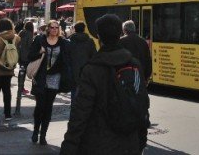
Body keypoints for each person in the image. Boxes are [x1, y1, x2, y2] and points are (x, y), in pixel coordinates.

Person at [60, 14, 148, 155]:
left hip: (98, 144)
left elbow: (81, 112)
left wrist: (69, 144)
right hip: (129, 143)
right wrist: (141, 140)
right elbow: (142, 104)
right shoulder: (134, 65)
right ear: (120, 34)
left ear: (99, 37)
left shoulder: (92, 69)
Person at [27, 19, 72, 145]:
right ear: (48, 29)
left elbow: (67, 59)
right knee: (40, 106)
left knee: (48, 107)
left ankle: (43, 135)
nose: (54, 29)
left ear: (59, 29)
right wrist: (39, 53)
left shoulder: (63, 43)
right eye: (52, 27)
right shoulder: (40, 40)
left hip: (55, 77)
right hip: (40, 76)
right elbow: (30, 55)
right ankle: (36, 130)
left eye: (56, 27)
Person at [68, 21, 97, 104]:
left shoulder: (70, 41)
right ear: (84, 29)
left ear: (75, 29)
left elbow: (67, 57)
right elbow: (94, 56)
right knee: (86, 95)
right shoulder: (90, 41)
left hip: (73, 71)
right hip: (86, 72)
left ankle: (74, 113)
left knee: (74, 95)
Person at [17, 20, 35, 95]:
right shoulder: (30, 34)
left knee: (21, 72)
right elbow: (29, 45)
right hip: (26, 56)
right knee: (30, 72)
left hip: (20, 55)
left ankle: (20, 88)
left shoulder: (21, 32)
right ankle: (22, 89)